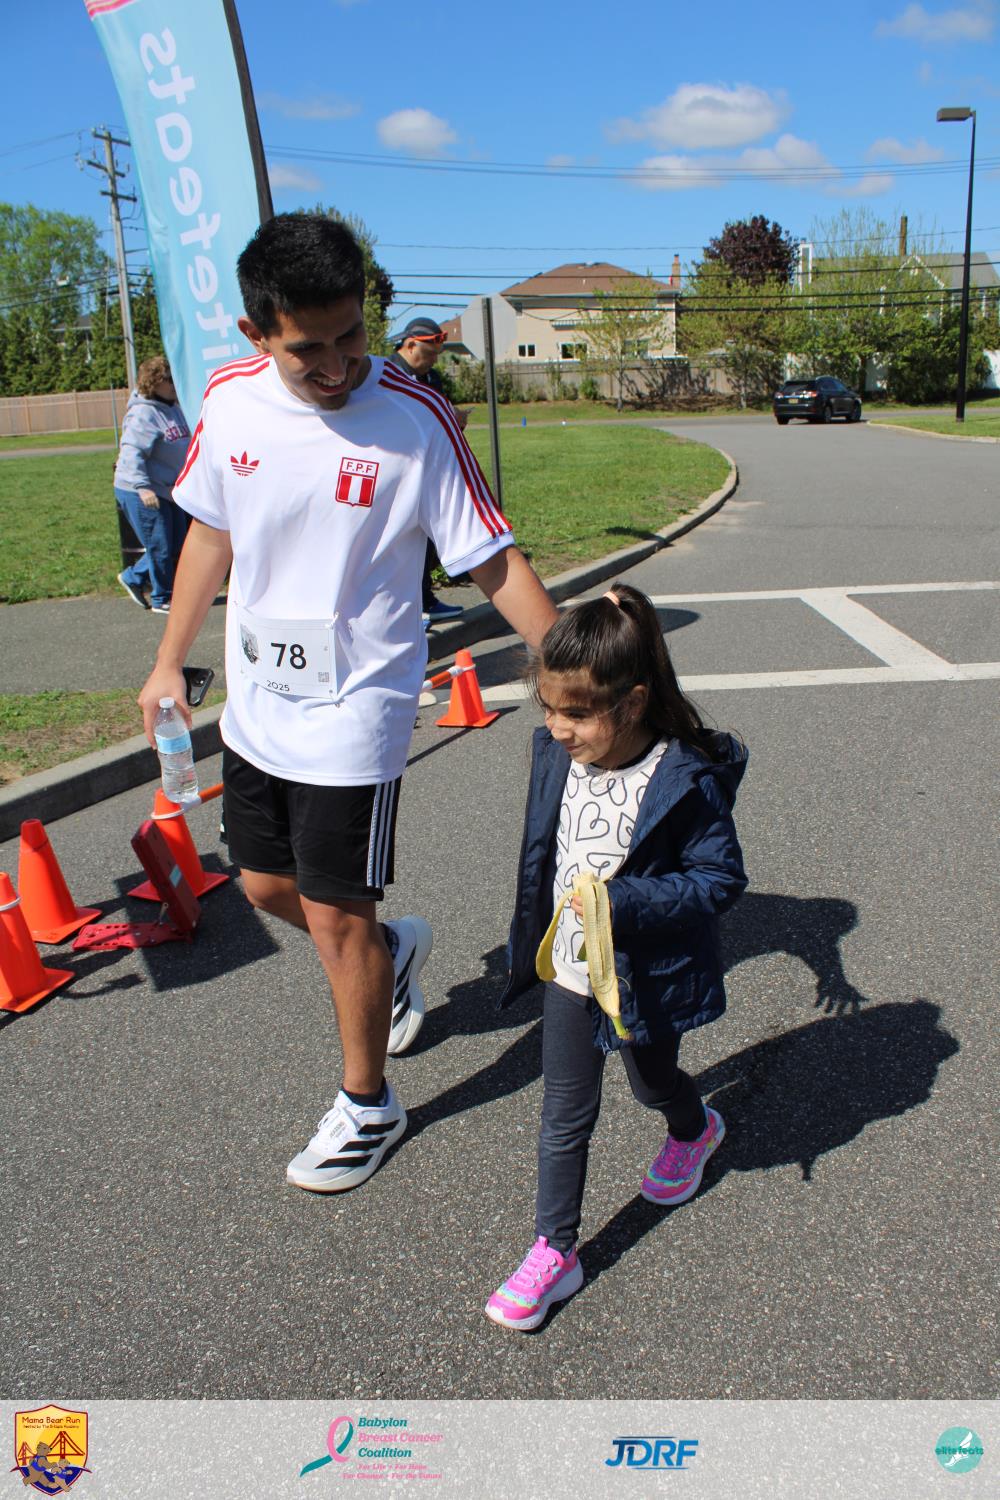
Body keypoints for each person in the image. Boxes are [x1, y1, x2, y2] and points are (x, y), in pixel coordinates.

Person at [137, 213, 557, 1195]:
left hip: (357, 708)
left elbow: (490, 557)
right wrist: (168, 663)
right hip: (258, 700)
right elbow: (209, 534)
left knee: (333, 916)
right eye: (306, 350)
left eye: (351, 337)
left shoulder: (415, 418)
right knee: (261, 887)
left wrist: (572, 666)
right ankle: (390, 951)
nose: (336, 367)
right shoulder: (230, 400)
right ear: (256, 334)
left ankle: (368, 1103)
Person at [486, 584, 748, 1331]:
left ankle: (695, 1130)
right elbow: (545, 847)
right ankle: (554, 1250)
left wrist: (626, 902)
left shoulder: (682, 778)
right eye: (548, 706)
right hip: (572, 972)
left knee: (652, 1082)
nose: (556, 726)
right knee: (564, 1115)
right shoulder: (557, 753)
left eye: (576, 713)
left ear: (631, 704)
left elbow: (720, 879)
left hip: (642, 978)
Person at [388, 317, 470, 627]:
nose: (434, 361)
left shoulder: (431, 378)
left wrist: (453, 417)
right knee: (403, 544)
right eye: (430, 354)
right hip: (398, 470)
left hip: (430, 468)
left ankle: (425, 599)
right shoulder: (388, 376)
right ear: (410, 345)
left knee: (428, 539)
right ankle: (407, 608)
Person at [113, 354, 191, 613]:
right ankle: (161, 597)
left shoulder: (174, 407)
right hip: (142, 490)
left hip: (167, 489)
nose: (173, 384)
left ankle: (133, 577)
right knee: (161, 545)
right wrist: (142, 487)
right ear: (154, 382)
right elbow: (131, 453)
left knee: (177, 543)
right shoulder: (144, 413)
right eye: (168, 379)